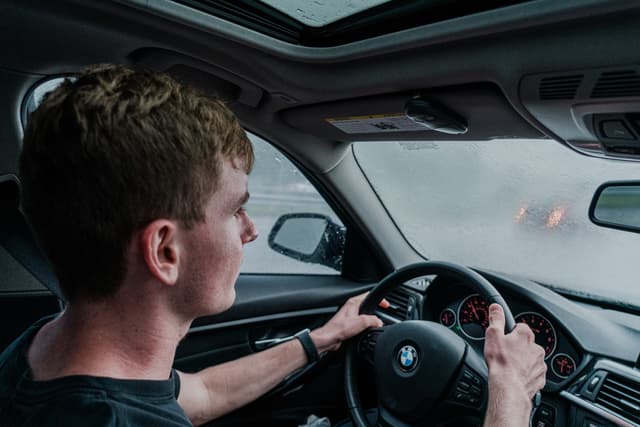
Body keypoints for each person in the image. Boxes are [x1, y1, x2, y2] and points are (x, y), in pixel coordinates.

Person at [0, 64, 545, 426]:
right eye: (236, 209)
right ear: (165, 251)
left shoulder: (43, 351)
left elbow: (198, 396)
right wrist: (510, 394)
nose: (251, 230)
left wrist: (320, 340)